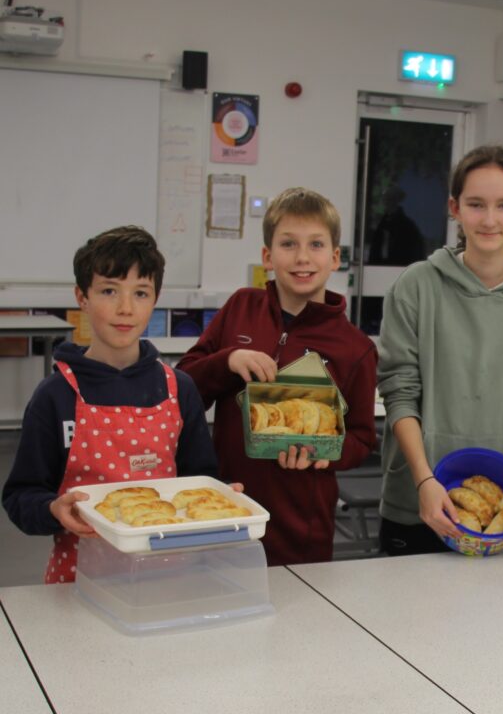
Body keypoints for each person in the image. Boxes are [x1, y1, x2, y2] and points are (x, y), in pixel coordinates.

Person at [377, 144, 503, 555]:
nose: (490, 220)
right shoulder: (416, 286)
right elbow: (401, 394)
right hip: (421, 501)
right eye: (476, 204)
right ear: (455, 207)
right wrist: (424, 480)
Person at [2, 226, 219, 583]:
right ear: (82, 297)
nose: (125, 308)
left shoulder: (179, 389)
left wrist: (218, 497)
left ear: (155, 298)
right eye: (108, 291)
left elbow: (201, 479)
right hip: (79, 579)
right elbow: (20, 497)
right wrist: (51, 509)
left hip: (165, 576)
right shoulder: (55, 396)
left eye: (141, 293)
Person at [177, 187, 378, 565]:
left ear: (335, 258)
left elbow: (363, 438)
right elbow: (184, 387)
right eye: (288, 244)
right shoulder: (240, 307)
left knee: (296, 617)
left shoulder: (355, 348)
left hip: (302, 524)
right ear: (268, 256)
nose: (302, 257)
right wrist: (228, 360)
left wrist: (322, 456)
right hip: (226, 504)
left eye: (316, 244)